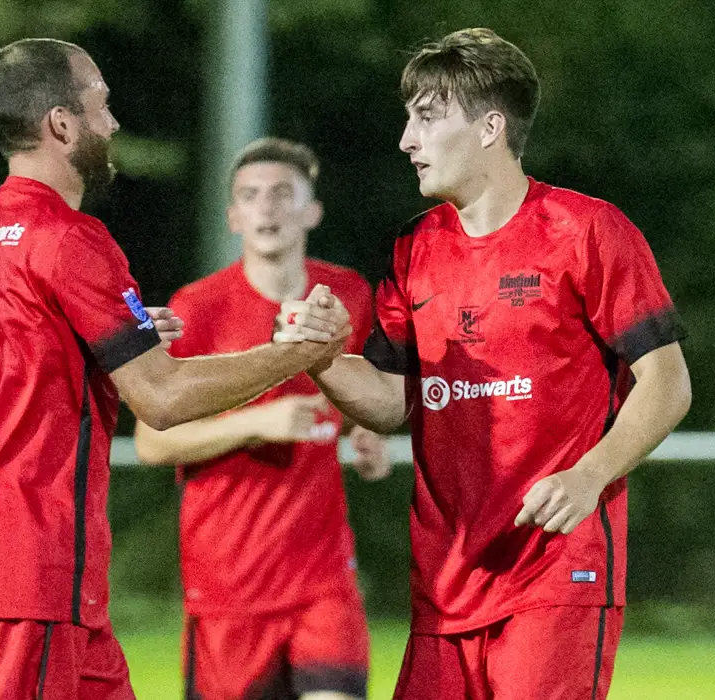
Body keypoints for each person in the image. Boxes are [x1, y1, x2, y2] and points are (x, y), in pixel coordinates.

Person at [280, 28, 693, 700]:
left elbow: (668, 381)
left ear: (489, 128)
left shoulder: (587, 231)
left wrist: (589, 475)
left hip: (555, 574)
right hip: (444, 583)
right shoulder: (416, 247)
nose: (406, 140)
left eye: (426, 117)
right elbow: (393, 400)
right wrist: (322, 356)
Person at [0, 39, 349, 699]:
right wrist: (298, 354)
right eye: (101, 105)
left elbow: (15, 341)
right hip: (27, 575)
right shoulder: (71, 240)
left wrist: (110, 332)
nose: (113, 124)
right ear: (61, 125)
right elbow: (165, 397)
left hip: (51, 585)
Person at [133, 137, 390, 700]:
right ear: (233, 216)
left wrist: (365, 431)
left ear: (312, 210)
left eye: (281, 193)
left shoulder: (347, 296)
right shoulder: (198, 308)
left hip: (323, 578)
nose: (266, 208)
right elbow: (151, 442)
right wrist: (258, 422)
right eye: (250, 196)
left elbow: (360, 396)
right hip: (229, 584)